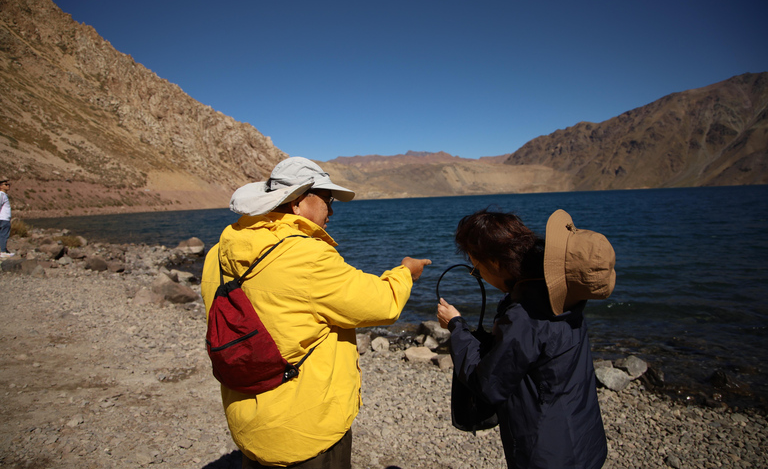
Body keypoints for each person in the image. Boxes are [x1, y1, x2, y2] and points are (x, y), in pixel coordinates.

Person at [201, 156, 431, 468]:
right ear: (297, 202)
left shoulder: (218, 252)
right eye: (327, 199)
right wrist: (405, 272)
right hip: (305, 432)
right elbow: (381, 302)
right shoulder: (305, 255)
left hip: (249, 422)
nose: (332, 210)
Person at [437, 209, 615, 469]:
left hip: (546, 454)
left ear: (496, 263)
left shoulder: (525, 317)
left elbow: (488, 384)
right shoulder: (568, 297)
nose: (478, 274)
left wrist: (456, 327)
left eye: (476, 267)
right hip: (586, 441)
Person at [0, 177, 14, 258]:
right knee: (4, 235)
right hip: (3, 219)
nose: (8, 186)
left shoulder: (3, 195)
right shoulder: (1, 195)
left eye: (8, 184)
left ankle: (3, 250)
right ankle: (3, 251)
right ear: (1, 186)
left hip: (3, 218)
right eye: (6, 184)